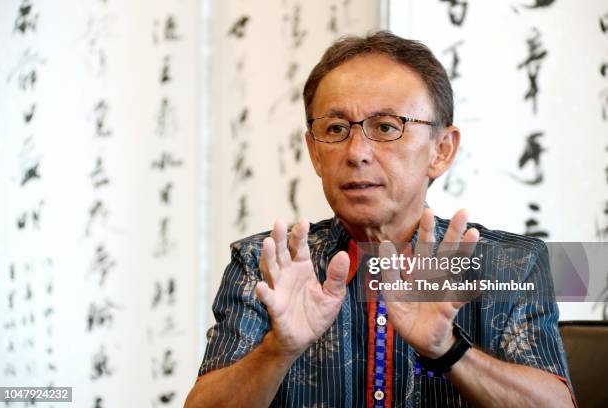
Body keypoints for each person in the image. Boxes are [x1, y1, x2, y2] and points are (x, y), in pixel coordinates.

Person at [184, 31, 575, 407]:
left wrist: (448, 350)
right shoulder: (265, 263)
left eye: (386, 127)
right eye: (336, 129)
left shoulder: (511, 264)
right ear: (315, 153)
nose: (357, 153)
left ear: (441, 149)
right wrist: (277, 349)